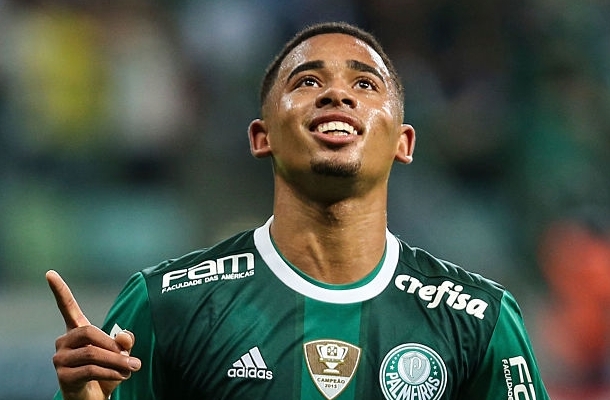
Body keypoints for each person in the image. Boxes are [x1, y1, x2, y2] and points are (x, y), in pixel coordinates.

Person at [47, 21, 550, 400]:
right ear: (261, 137)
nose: (336, 93)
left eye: (365, 85)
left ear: (403, 142)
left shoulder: (480, 319)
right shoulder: (166, 304)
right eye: (307, 81)